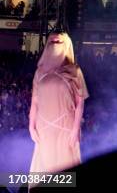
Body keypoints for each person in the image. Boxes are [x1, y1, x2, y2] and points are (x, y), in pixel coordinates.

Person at [29, 30, 89, 173]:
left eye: (59, 41)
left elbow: (80, 103)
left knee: (65, 165)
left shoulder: (74, 70)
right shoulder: (40, 72)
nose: (55, 44)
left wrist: (75, 129)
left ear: (66, 44)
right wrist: (31, 126)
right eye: (52, 41)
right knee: (45, 164)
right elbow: (34, 103)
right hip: (43, 127)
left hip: (65, 127)